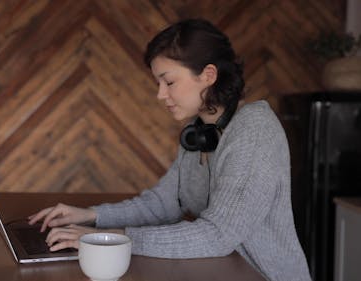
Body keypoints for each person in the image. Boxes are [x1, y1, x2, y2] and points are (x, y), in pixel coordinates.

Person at [29, 18, 311, 281]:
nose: (160, 94)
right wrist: (91, 216)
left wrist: (112, 239)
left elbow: (218, 235)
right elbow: (163, 204)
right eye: (158, 83)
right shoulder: (198, 132)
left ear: (208, 75)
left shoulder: (254, 131)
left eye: (169, 81)